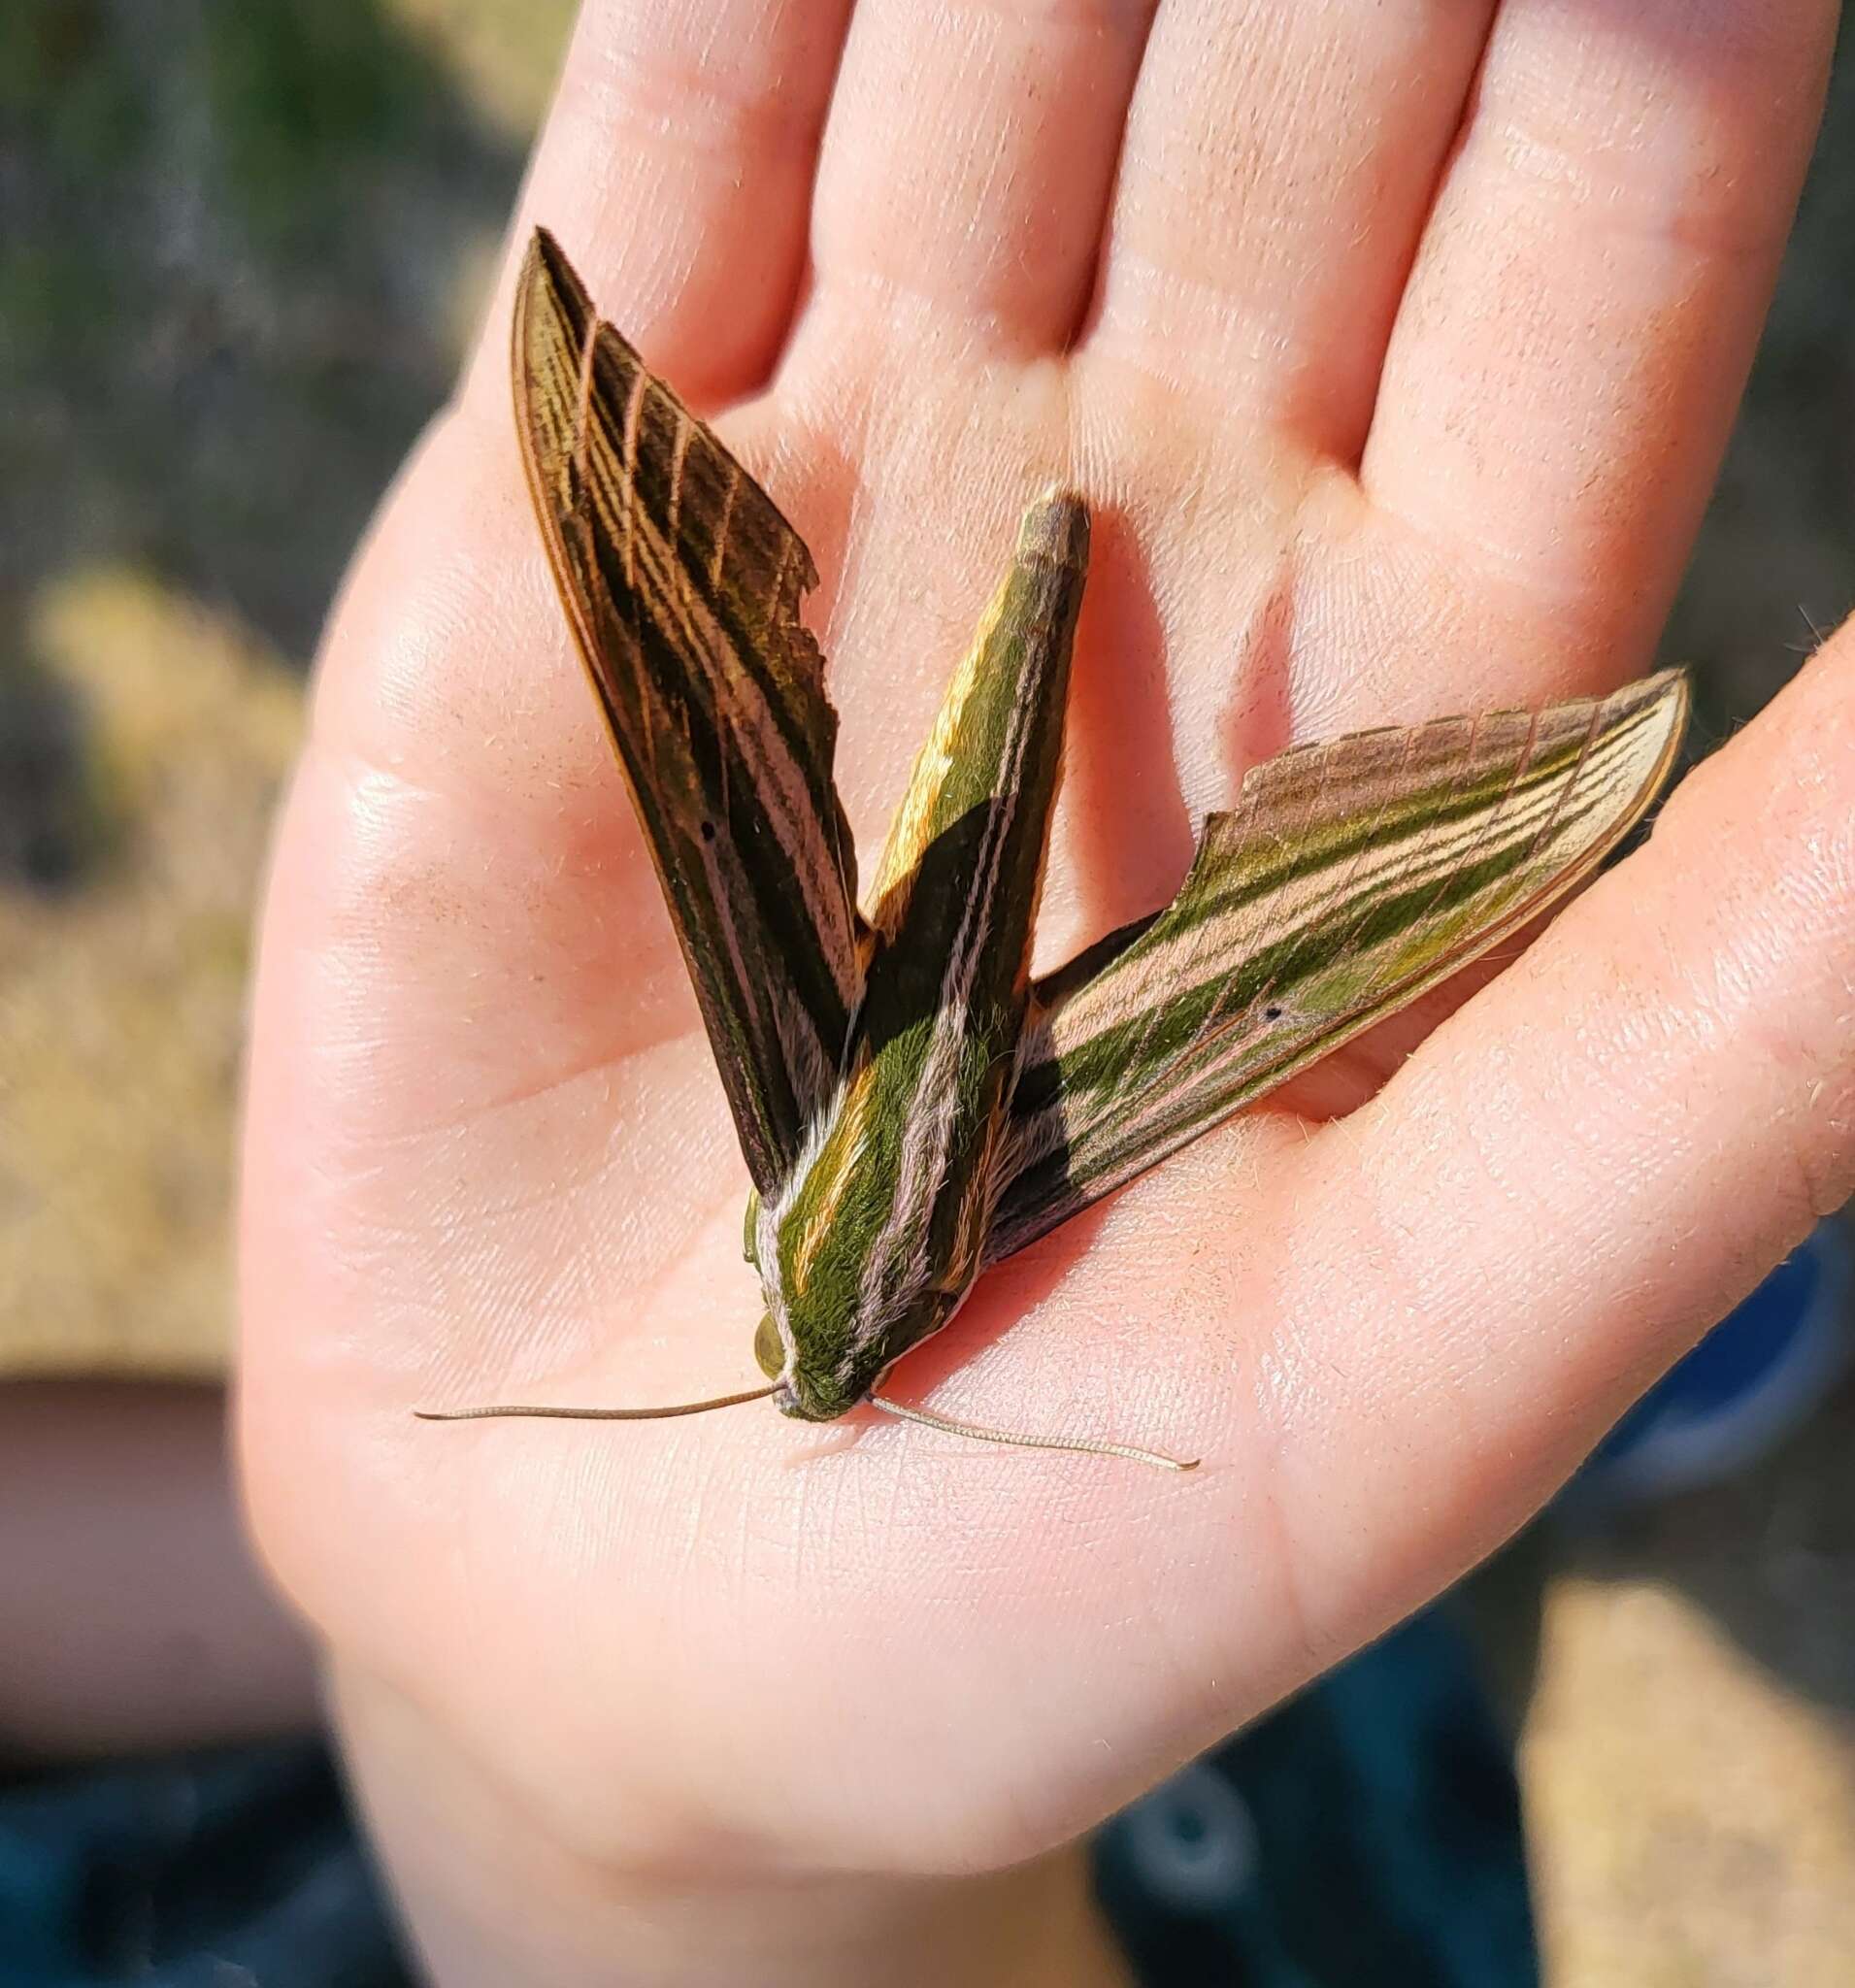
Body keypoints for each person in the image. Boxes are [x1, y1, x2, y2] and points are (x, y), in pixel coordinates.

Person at [30, 3, 1855, 1984]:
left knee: (1349, 1062)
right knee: (1356, 1088)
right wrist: (556, 1764)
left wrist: (485, 1696)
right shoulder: (790, 1094)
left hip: (1051, 1181)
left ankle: (1558, 1295)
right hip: (897, 1241)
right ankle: (1540, 1251)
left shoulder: (980, 1210)